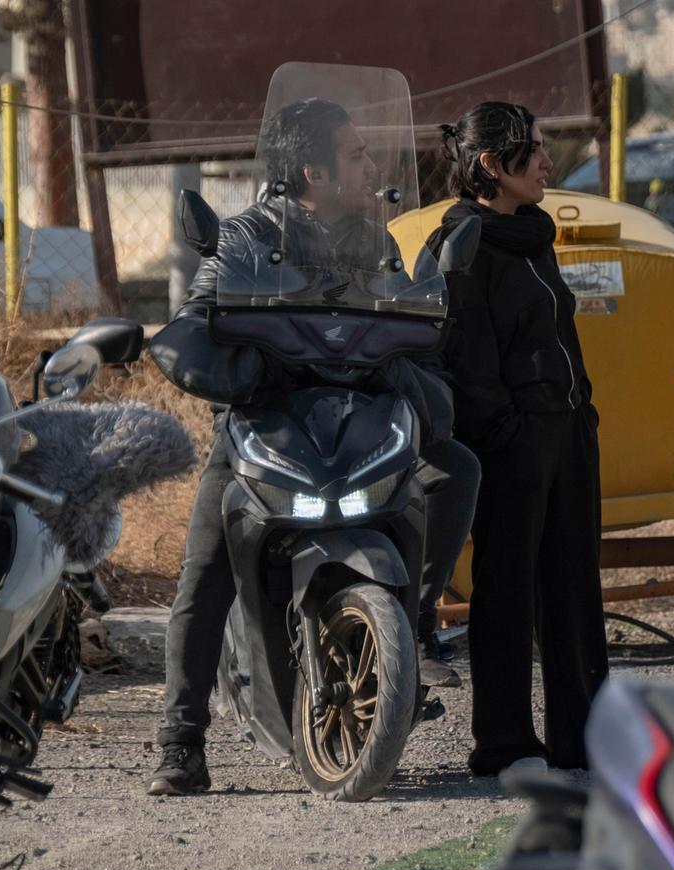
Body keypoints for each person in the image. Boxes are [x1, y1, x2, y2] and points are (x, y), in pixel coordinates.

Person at [143, 97, 480, 795]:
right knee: (205, 570)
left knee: (452, 474)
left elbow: (405, 315)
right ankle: (179, 740)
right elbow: (192, 325)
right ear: (311, 172)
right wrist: (248, 372)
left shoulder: (373, 240)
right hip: (268, 428)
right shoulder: (243, 238)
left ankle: (407, 630)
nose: (370, 167)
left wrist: (412, 338)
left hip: (354, 421)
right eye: (355, 156)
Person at [427, 102, 607, 776]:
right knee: (505, 595)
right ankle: (502, 744)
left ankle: (584, 740)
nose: (546, 161)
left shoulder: (529, 234)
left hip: (566, 436)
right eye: (532, 150)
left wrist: (579, 419)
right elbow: (465, 361)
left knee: (573, 592)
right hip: (515, 445)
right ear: (489, 166)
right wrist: (510, 435)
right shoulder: (463, 242)